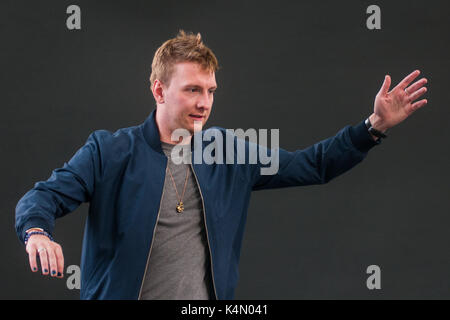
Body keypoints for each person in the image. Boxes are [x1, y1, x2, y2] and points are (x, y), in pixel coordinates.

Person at [15, 30, 428, 300]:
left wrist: (373, 126)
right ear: (159, 89)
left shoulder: (227, 151)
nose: (205, 102)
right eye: (193, 89)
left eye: (210, 90)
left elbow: (313, 165)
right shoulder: (109, 151)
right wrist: (36, 233)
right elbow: (44, 196)